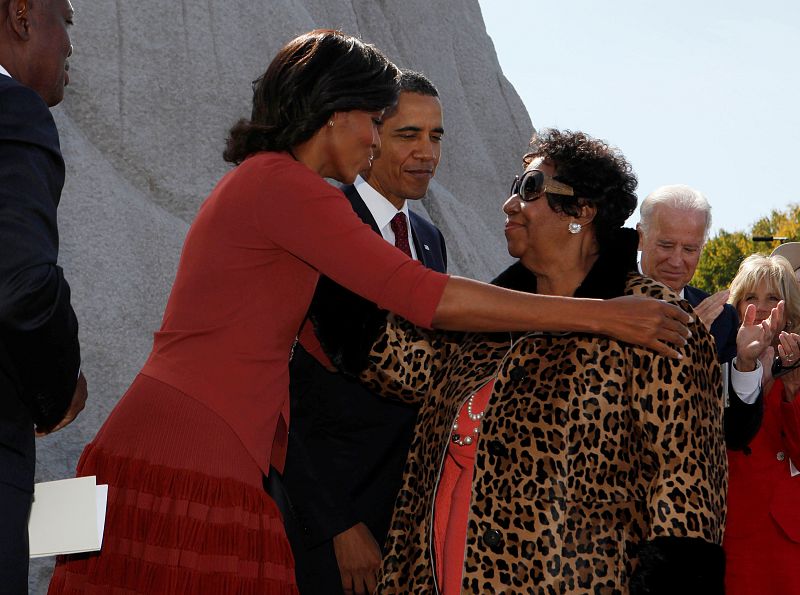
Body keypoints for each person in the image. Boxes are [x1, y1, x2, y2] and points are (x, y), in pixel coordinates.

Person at [47, 31, 690, 594]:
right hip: (192, 443)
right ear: (334, 114)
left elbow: (360, 347)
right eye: (376, 121)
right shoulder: (289, 188)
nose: (379, 139)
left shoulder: (270, 184)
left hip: (204, 438)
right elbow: (426, 298)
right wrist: (602, 315)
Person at [316, 130, 727, 593]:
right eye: (514, 189)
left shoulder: (651, 319)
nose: (511, 204)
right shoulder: (487, 323)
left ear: (582, 211)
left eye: (530, 189)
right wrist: (326, 231)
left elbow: (686, 491)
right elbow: (390, 358)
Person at [273, 70, 447, 595]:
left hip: (405, 520)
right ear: (372, 134)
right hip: (329, 522)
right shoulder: (323, 221)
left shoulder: (430, 238)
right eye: (408, 134)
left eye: (436, 136)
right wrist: (336, 525)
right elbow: (283, 385)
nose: (427, 152)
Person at [0, 0, 87, 591]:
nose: (71, 43)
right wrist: (57, 388)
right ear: (23, 16)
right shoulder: (14, 113)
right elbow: (21, 289)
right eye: (66, 20)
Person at [637, 185, 764, 448]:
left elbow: (736, 434)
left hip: (687, 483)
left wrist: (746, 365)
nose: (676, 260)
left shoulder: (721, 318)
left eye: (690, 249)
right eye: (666, 245)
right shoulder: (602, 295)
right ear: (641, 237)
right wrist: (685, 337)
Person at [723, 253, 800, 594]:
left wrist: (794, 388)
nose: (763, 307)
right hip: (734, 524)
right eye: (751, 297)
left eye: (773, 297)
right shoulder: (716, 356)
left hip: (790, 530)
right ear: (737, 306)